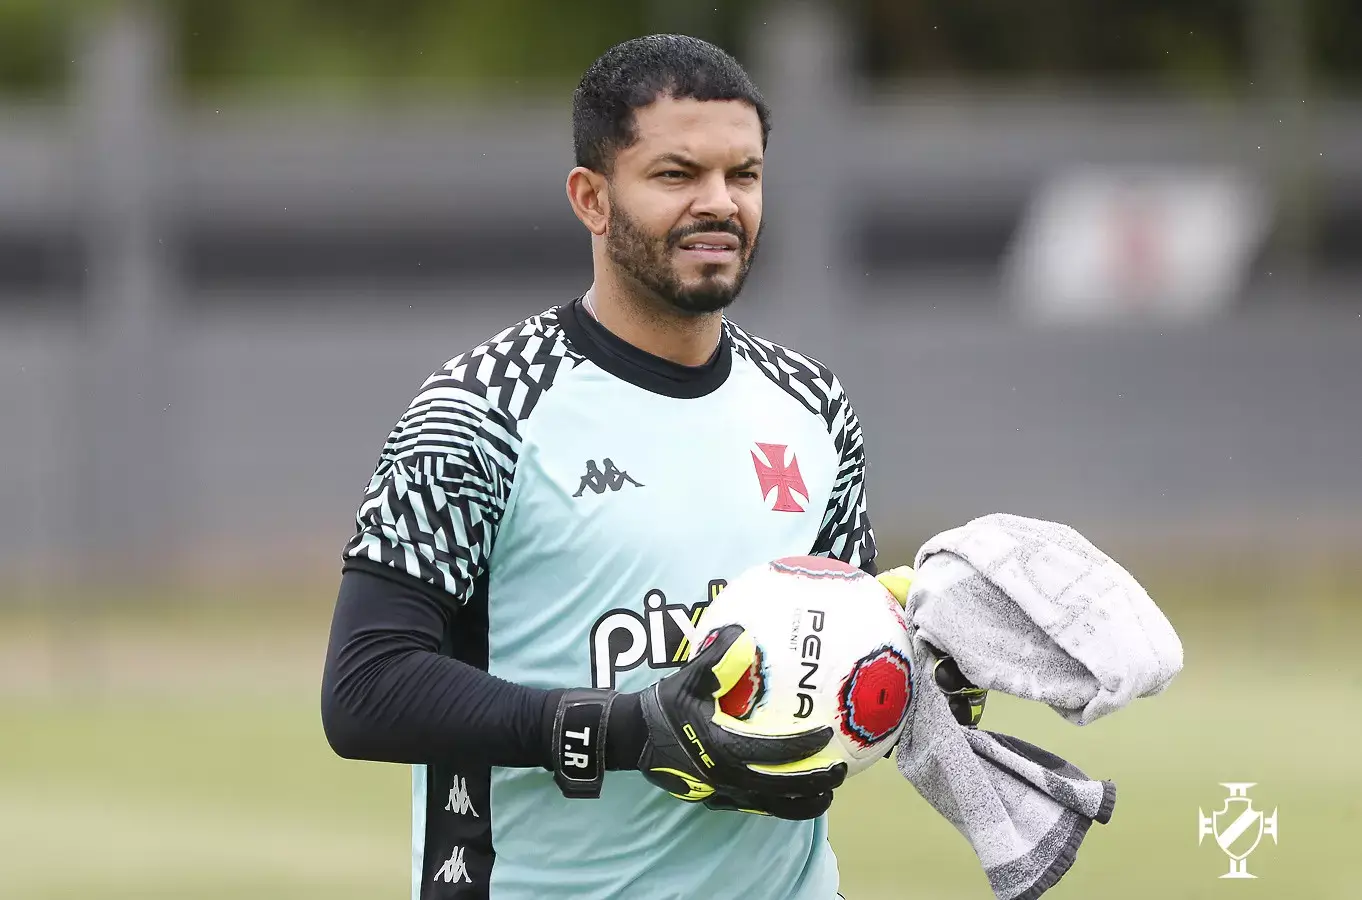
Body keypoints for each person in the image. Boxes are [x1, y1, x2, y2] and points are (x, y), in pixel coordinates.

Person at [320, 33, 982, 900]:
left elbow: (832, 661)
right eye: (677, 175)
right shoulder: (479, 409)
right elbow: (366, 688)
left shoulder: (814, 406)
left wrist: (936, 669)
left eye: (742, 176)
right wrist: (628, 728)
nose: (720, 204)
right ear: (591, 199)